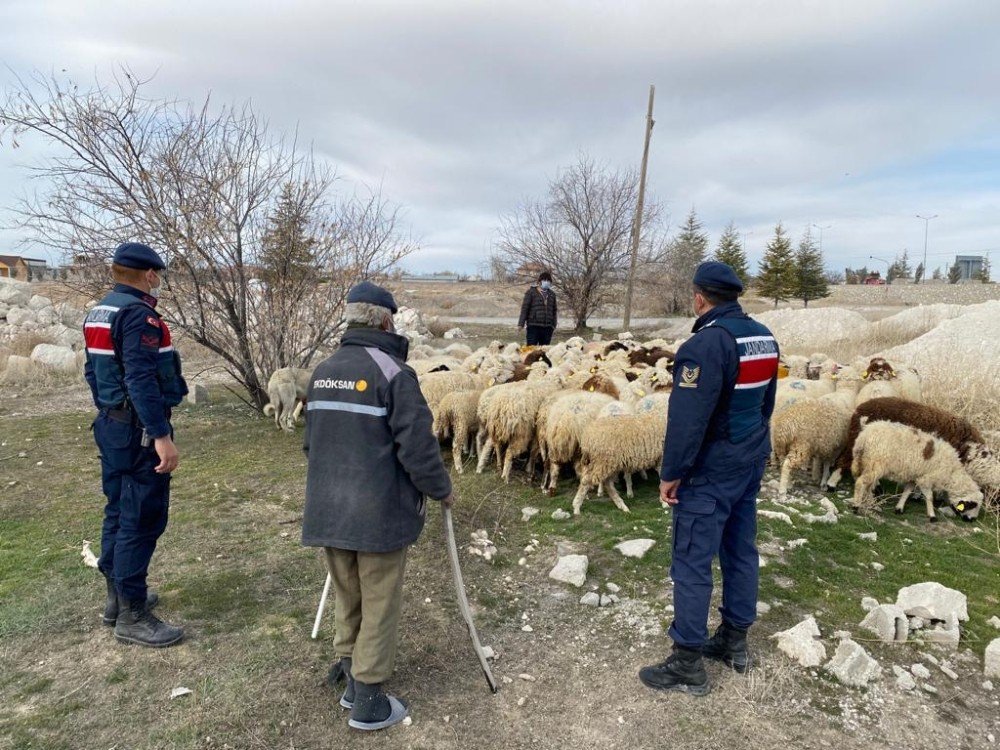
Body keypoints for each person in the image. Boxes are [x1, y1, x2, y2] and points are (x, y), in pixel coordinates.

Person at [301, 281, 454, 731]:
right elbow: (418, 448)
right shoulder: (394, 374)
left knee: (348, 592)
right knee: (380, 599)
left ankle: (350, 673)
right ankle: (368, 698)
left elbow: (311, 443)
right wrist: (441, 488)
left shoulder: (324, 370)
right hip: (377, 514)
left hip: (329, 508)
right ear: (386, 320)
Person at [639, 261, 779, 696]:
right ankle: (734, 642)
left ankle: (686, 663)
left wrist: (672, 473)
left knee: (692, 561)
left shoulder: (704, 346)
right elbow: (766, 404)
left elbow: (687, 420)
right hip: (748, 459)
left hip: (711, 471)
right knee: (740, 550)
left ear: (700, 298)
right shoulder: (762, 337)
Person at [83, 241, 188, 647]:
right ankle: (133, 613)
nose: (159, 281)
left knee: (117, 510)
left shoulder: (101, 310)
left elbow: (93, 372)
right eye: (158, 274)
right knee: (141, 517)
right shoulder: (138, 316)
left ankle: (118, 598)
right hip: (137, 431)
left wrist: (110, 410)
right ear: (149, 275)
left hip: (112, 423)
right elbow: (141, 379)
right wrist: (160, 434)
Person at [517, 271, 557, 346]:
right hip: (533, 326)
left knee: (544, 351)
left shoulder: (552, 294)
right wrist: (521, 324)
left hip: (547, 327)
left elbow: (554, 310)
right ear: (539, 281)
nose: (547, 282)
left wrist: (554, 324)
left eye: (548, 281)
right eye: (544, 280)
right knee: (531, 349)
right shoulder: (531, 292)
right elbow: (525, 309)